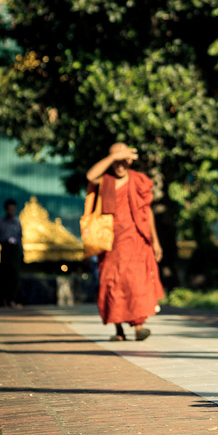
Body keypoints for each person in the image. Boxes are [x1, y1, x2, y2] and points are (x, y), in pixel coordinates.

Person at [86, 143, 164, 341]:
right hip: (111, 241)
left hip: (136, 239)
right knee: (112, 283)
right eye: (116, 161)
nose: (120, 165)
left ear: (129, 161)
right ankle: (118, 330)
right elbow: (90, 176)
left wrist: (155, 241)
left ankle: (139, 327)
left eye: (123, 161)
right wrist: (114, 156)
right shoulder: (106, 180)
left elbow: (147, 211)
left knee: (137, 282)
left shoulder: (139, 180)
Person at [0, 198, 24, 308]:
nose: (12, 212)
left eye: (14, 209)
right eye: (10, 209)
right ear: (6, 210)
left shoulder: (17, 222)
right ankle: (4, 300)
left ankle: (12, 299)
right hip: (5, 249)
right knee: (4, 275)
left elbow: (20, 238)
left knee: (15, 275)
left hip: (15, 250)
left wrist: (22, 252)